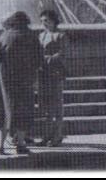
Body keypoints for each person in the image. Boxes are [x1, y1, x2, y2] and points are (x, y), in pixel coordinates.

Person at [0, 11, 43, 155]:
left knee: (2, 111)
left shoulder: (4, 36)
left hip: (6, 81)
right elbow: (39, 58)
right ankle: (20, 144)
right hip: (25, 80)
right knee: (23, 111)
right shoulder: (31, 37)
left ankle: (1, 146)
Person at [36, 9, 68, 147]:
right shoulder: (41, 36)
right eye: (42, 21)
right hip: (43, 74)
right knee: (46, 107)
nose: (44, 24)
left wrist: (47, 59)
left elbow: (63, 53)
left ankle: (58, 135)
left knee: (57, 106)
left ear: (54, 21)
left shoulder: (61, 36)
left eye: (47, 21)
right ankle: (47, 135)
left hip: (55, 74)